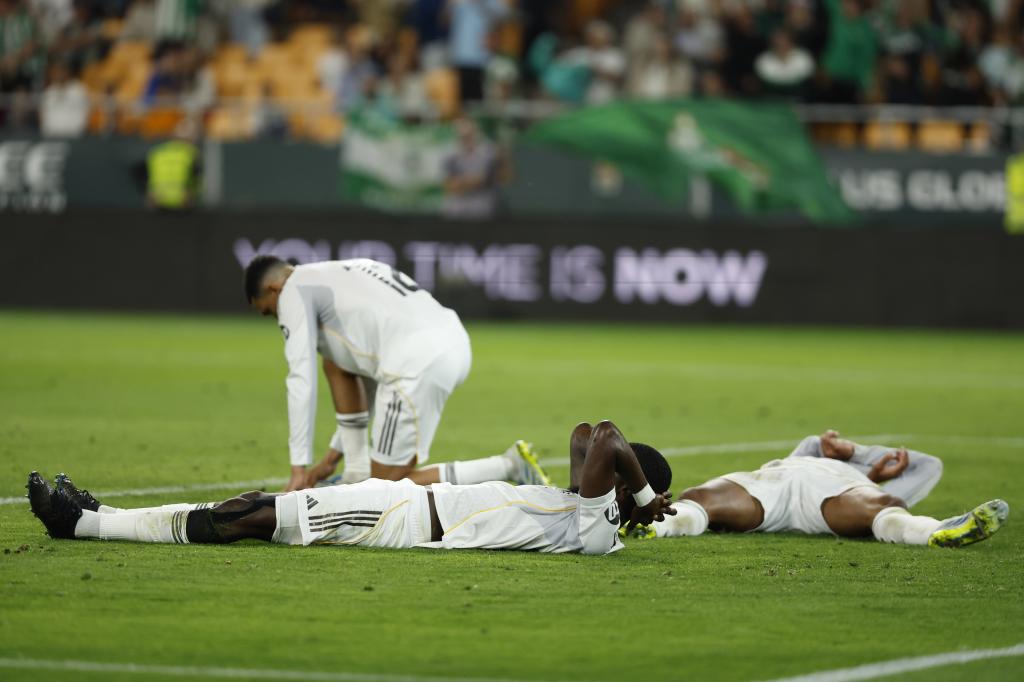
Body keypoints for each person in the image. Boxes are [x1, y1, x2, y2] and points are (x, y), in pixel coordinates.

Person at [27, 421, 676, 556]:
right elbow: (588, 433)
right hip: (409, 508)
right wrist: (640, 497)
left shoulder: (597, 532)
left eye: (611, 475)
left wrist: (644, 501)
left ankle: (85, 525)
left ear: (616, 492)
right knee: (253, 509)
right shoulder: (583, 503)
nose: (596, 463)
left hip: (410, 522)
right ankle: (98, 516)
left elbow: (611, 439)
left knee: (251, 516)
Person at [244, 255, 548, 492]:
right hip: (452, 342)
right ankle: (356, 472)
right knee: (334, 361)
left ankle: (506, 466)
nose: (276, 317)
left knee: (382, 490)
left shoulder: (292, 291)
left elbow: (301, 378)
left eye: (268, 311)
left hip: (416, 362)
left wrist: (299, 466)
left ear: (274, 289)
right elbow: (367, 374)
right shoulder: (346, 271)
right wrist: (329, 462)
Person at [634, 430, 1007, 549]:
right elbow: (813, 442)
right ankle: (652, 525)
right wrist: (853, 455)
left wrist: (861, 459)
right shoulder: (811, 459)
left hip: (831, 497)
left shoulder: (862, 487)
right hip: (772, 482)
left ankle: (939, 530)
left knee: (888, 507)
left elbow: (931, 465)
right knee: (701, 498)